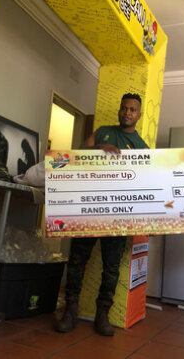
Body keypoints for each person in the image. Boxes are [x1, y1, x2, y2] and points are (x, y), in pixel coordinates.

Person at [56, 93, 148, 336]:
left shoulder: (142, 147)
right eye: (124, 108)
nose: (127, 112)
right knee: (77, 261)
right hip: (89, 209)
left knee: (111, 267)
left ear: (139, 115)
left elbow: (146, 184)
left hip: (118, 216)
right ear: (120, 110)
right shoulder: (103, 132)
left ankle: (103, 314)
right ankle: (70, 311)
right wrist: (97, 149)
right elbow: (76, 155)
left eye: (132, 110)